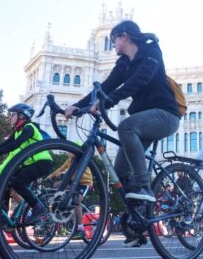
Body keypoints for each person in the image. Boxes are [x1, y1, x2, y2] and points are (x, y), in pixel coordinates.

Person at [65, 20, 180, 206]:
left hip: (165, 115)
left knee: (125, 126)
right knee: (120, 171)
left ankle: (144, 186)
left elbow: (141, 78)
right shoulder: (123, 63)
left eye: (114, 39)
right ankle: (138, 222)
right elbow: (106, 86)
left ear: (124, 36)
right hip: (143, 122)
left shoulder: (152, 50)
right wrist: (78, 106)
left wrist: (110, 100)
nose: (113, 44)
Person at [0, 103, 53, 224]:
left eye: (13, 115)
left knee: (17, 183)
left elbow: (15, 145)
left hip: (43, 162)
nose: (10, 117)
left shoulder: (29, 128)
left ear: (22, 116)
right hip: (29, 164)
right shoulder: (17, 132)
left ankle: (38, 208)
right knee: (5, 182)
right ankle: (2, 215)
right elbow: (3, 145)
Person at [46, 151, 93, 238]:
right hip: (73, 183)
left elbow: (75, 171)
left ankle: (80, 228)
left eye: (70, 151)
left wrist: (64, 173)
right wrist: (50, 176)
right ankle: (59, 203)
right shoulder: (69, 160)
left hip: (84, 183)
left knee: (76, 202)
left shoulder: (81, 160)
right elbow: (61, 169)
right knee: (56, 185)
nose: (68, 153)